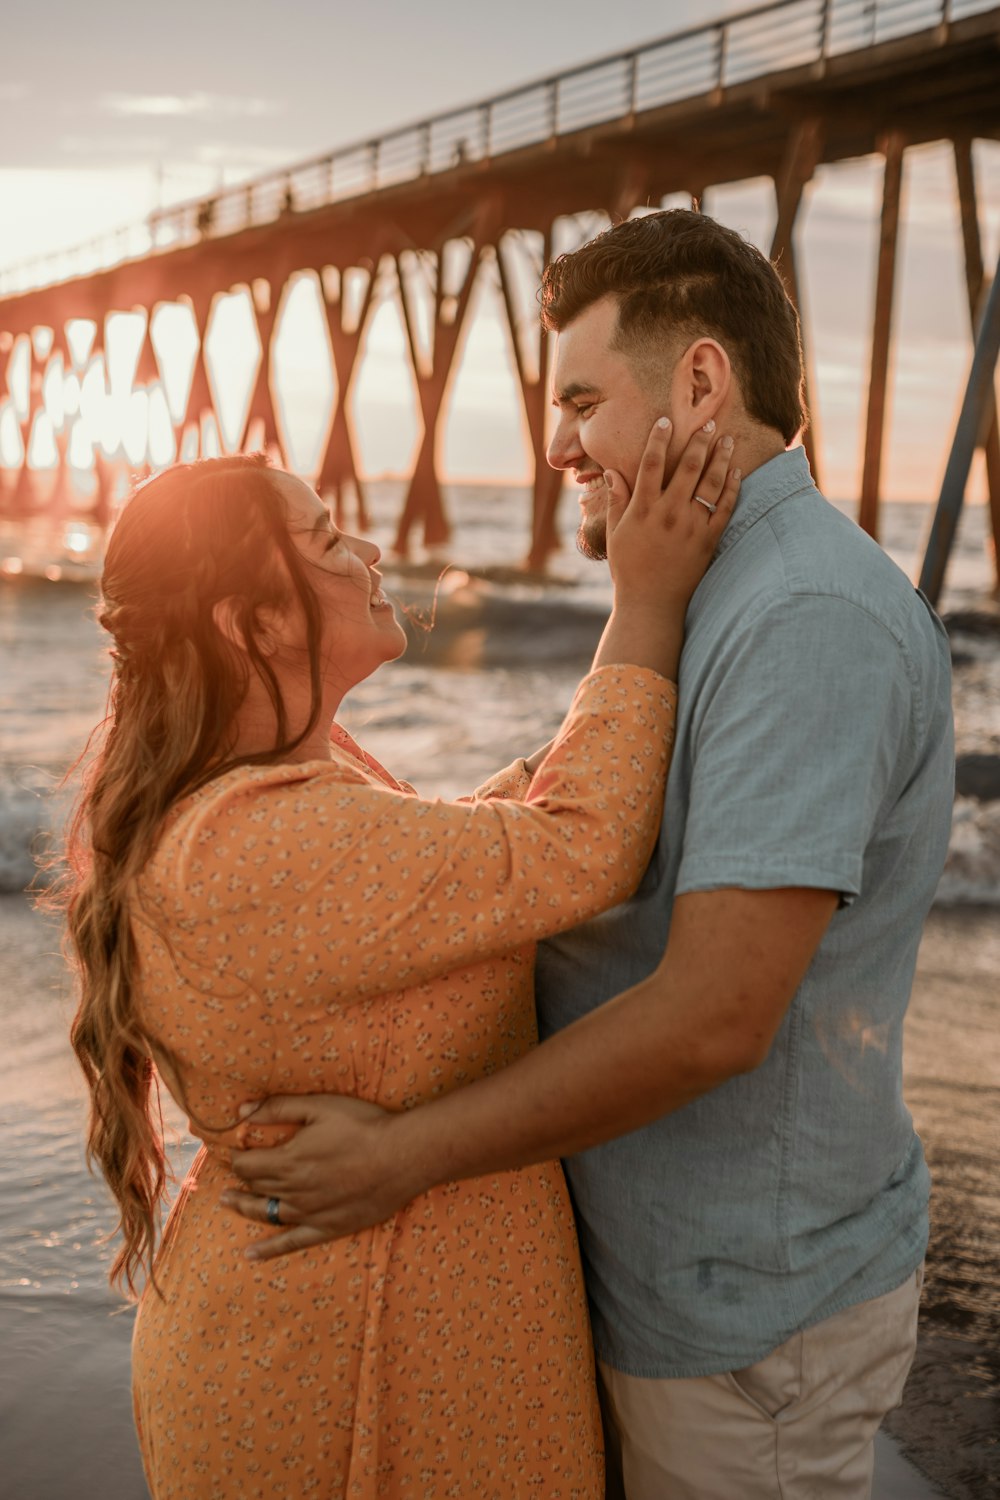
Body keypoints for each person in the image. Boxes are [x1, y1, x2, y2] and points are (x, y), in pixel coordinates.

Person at [226, 210, 956, 1500]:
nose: (555, 445)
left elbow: (714, 1018)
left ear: (698, 384)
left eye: (578, 400)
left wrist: (398, 1158)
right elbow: (580, 835)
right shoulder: (690, 582)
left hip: (743, 1315)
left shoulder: (801, 617)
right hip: (667, 1281)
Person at [61, 438, 737, 1499]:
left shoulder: (275, 788)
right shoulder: (259, 839)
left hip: (351, 1325)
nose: (369, 547)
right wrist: (643, 603)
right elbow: (579, 847)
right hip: (342, 1365)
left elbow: (453, 845)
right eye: (326, 537)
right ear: (258, 622)